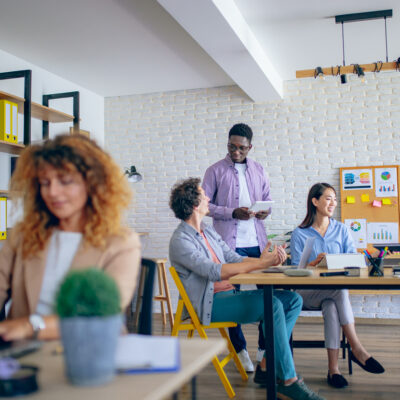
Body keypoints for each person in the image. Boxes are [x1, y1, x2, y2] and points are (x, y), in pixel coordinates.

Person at [169, 177, 325, 400]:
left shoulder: (209, 231)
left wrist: (263, 258)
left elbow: (234, 258)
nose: (208, 198)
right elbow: (214, 271)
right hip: (211, 304)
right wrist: (261, 264)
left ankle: (265, 366)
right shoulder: (180, 240)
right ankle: (289, 381)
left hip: (229, 296)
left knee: (292, 300)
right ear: (195, 205)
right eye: (204, 196)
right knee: (271, 304)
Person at [0, 134, 141, 341]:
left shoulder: (121, 243)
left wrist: (31, 326)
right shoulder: (24, 235)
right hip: (22, 357)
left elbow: (100, 317)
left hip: (89, 355)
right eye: (45, 183)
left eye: (65, 181)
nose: (53, 192)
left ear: (93, 184)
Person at [290, 182, 384, 389]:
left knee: (333, 305)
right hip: (306, 292)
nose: (333, 203)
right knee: (339, 291)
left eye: (334, 199)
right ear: (315, 201)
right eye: (328, 198)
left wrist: (342, 259)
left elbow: (353, 260)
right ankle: (357, 348)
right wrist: (314, 263)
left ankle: (333, 369)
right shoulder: (300, 233)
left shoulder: (341, 230)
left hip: (331, 294)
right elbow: (296, 270)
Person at [202, 123, 271, 372]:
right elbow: (204, 206)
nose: (236, 151)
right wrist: (232, 212)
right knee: (231, 297)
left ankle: (264, 349)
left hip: (256, 243)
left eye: (241, 147)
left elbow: (267, 201)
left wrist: (264, 212)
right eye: (232, 146)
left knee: (268, 294)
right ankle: (239, 349)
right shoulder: (214, 171)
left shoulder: (259, 170)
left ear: (250, 147)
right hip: (228, 245)